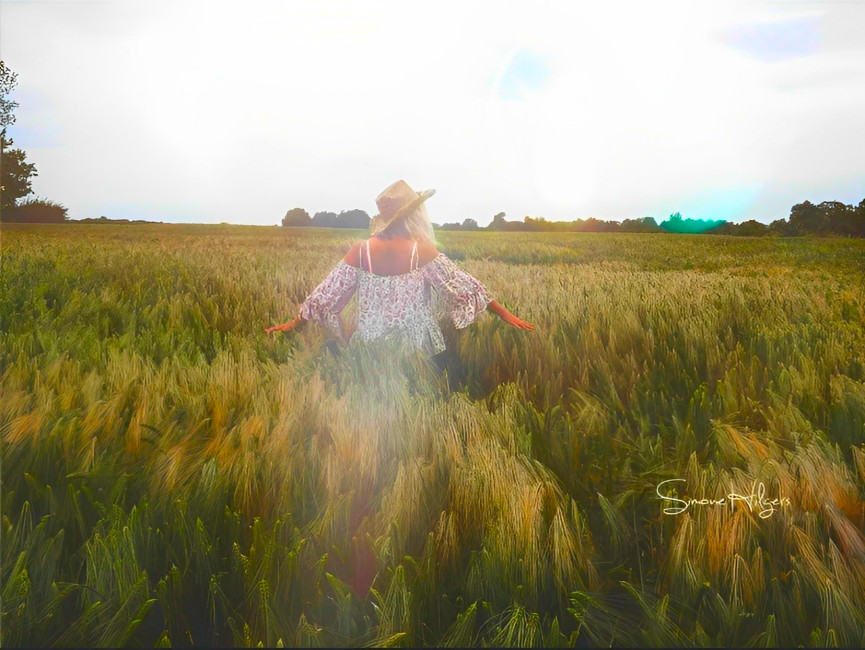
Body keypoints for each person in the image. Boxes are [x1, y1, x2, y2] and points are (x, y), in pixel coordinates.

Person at [265, 180, 535, 356]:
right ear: (413, 215)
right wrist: (505, 315)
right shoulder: (422, 251)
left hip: (369, 347)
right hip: (417, 350)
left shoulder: (362, 250)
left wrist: (294, 323)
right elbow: (467, 288)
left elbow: (324, 296)